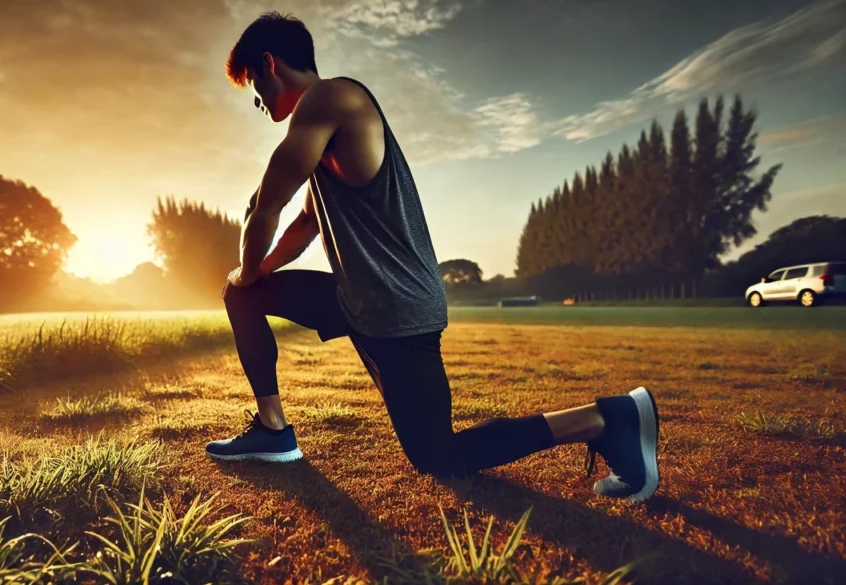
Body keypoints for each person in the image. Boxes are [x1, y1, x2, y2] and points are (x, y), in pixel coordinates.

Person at [207, 11, 660, 502]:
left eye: (254, 83)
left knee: (437, 455)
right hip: (358, 300)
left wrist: (250, 269)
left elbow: (265, 207)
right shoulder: (322, 132)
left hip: (398, 311)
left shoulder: (329, 99)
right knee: (240, 294)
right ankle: (274, 430)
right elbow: (306, 223)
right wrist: (257, 276)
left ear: (270, 64)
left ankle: (609, 418)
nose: (257, 100)